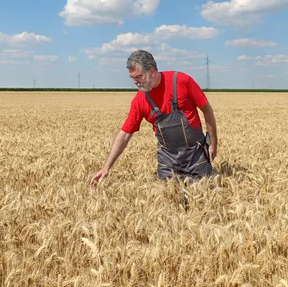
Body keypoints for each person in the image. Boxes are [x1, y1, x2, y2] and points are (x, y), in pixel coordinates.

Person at [90, 50, 218, 185]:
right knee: (168, 198)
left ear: (151, 72)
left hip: (195, 155)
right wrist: (106, 167)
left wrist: (213, 144)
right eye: (132, 78)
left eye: (138, 76)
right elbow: (125, 135)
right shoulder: (140, 100)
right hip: (168, 161)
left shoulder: (182, 81)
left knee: (205, 192)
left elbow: (207, 110)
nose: (135, 82)